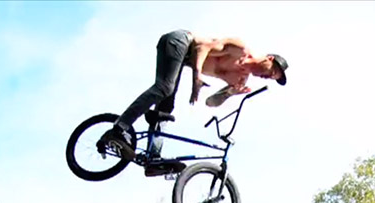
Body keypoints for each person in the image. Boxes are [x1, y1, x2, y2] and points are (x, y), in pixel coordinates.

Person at [99, 30, 289, 173]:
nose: (267, 77)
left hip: (184, 60)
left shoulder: (239, 79)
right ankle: (117, 130)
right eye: (272, 72)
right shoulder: (239, 49)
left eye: (271, 78)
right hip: (179, 42)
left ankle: (153, 159)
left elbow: (210, 102)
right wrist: (196, 79)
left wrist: (231, 93)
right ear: (269, 58)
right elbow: (202, 47)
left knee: (167, 106)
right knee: (165, 88)